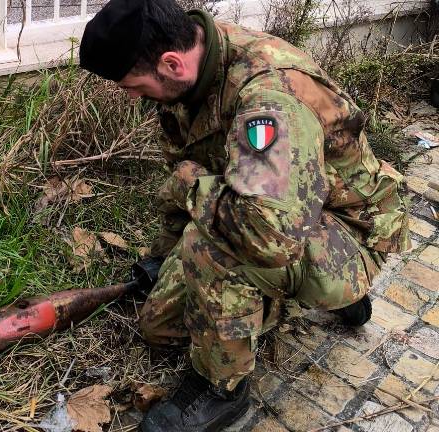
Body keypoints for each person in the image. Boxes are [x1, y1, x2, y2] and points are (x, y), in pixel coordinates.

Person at [78, 0, 411, 430]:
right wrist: (165, 254)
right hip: (289, 211)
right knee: (159, 326)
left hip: (348, 227)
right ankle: (285, 295)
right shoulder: (194, 70)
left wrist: (188, 186)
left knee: (208, 249)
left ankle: (223, 390)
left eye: (132, 85)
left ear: (170, 63)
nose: (131, 95)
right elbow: (199, 170)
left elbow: (269, 235)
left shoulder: (267, 97)